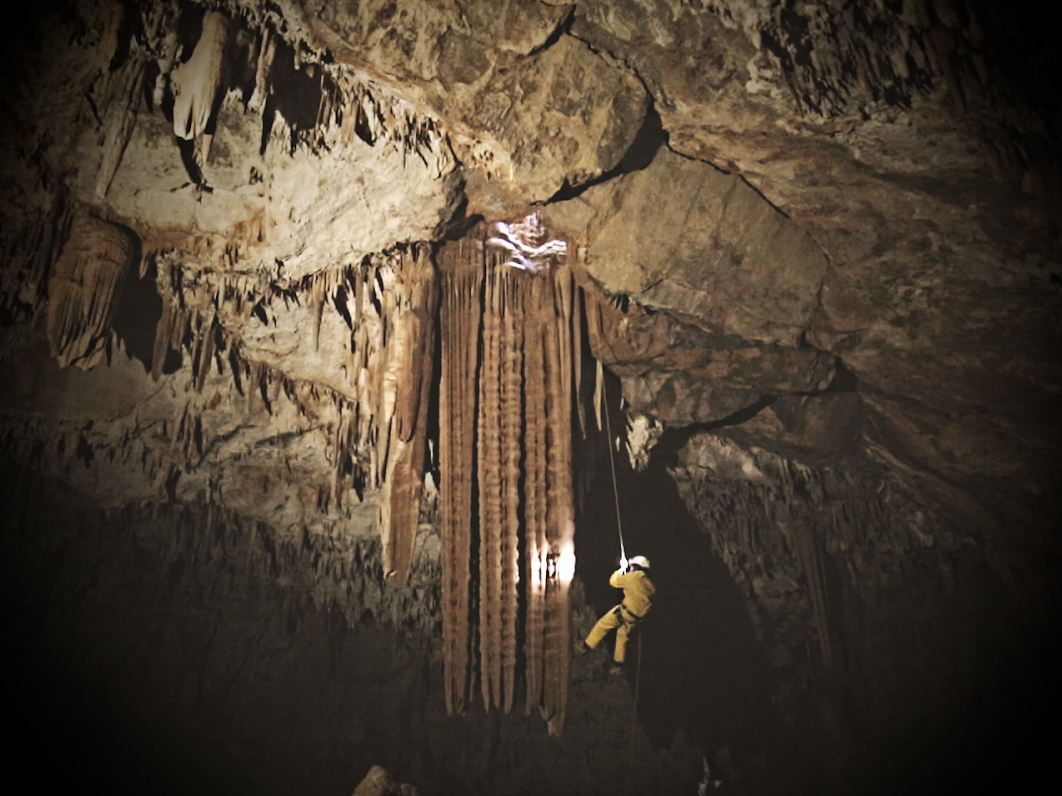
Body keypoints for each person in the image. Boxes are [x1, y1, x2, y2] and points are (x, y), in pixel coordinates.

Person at [580, 555, 655, 671]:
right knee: (622, 636)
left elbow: (613, 581)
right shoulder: (649, 585)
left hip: (625, 611)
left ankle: (586, 646)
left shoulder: (631, 578)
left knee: (603, 624)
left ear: (635, 567)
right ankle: (617, 664)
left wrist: (621, 569)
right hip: (635, 618)